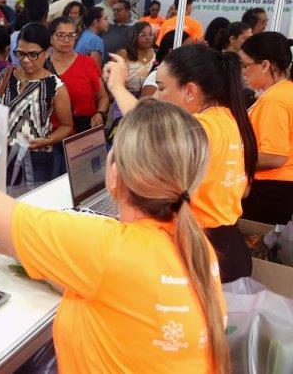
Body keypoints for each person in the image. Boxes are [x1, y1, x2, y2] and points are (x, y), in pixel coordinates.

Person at [0, 95, 229, 372]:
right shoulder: (196, 244)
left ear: (115, 174)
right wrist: (11, 244)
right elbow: (113, 285)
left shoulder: (106, 247)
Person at [106, 44, 258, 283]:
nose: (156, 98)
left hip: (205, 251)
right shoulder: (227, 118)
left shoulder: (203, 128)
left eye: (161, 88)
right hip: (227, 244)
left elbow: (147, 126)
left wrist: (116, 87)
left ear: (190, 91)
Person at [0, 23, 73, 186]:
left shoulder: (54, 85)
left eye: (33, 54)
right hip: (4, 154)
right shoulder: (6, 75)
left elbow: (67, 126)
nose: (25, 60)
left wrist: (47, 140)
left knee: (32, 199)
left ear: (46, 53)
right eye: (20, 53)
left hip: (37, 158)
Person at [239, 32, 293, 225]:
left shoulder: (275, 100)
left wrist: (230, 158)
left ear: (265, 65)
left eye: (245, 65)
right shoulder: (284, 92)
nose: (243, 72)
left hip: (269, 190)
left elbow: (274, 156)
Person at [47, 17, 108, 176]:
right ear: (51, 38)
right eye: (60, 35)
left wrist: (100, 113)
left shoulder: (87, 63)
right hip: (51, 139)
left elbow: (103, 97)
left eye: (71, 35)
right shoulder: (42, 65)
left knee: (85, 181)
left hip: (83, 137)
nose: (66, 40)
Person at [112, 22, 155, 125]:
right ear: (134, 36)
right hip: (124, 99)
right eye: (143, 34)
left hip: (147, 102)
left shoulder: (155, 53)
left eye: (150, 34)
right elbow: (112, 80)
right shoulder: (123, 54)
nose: (148, 37)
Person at [10, 0, 51, 65]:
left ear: (27, 13)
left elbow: (15, 63)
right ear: (46, 14)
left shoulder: (14, 37)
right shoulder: (51, 38)